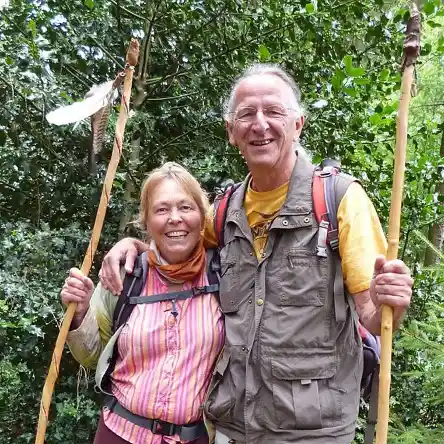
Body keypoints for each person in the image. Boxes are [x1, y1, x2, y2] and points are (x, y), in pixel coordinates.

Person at [98, 64, 413, 444]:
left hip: (311, 433)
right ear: (231, 132)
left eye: (274, 111)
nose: (260, 124)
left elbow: (375, 318)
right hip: (232, 425)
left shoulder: (339, 200)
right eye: (247, 114)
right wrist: (134, 246)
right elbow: (175, 247)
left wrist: (390, 300)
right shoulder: (223, 212)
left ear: (298, 124)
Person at [61, 162, 225, 444]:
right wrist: (81, 310)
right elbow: (90, 356)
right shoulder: (124, 276)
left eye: (186, 207)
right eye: (162, 210)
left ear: (202, 216)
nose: (175, 218)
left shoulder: (225, 274)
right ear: (146, 221)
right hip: (119, 434)